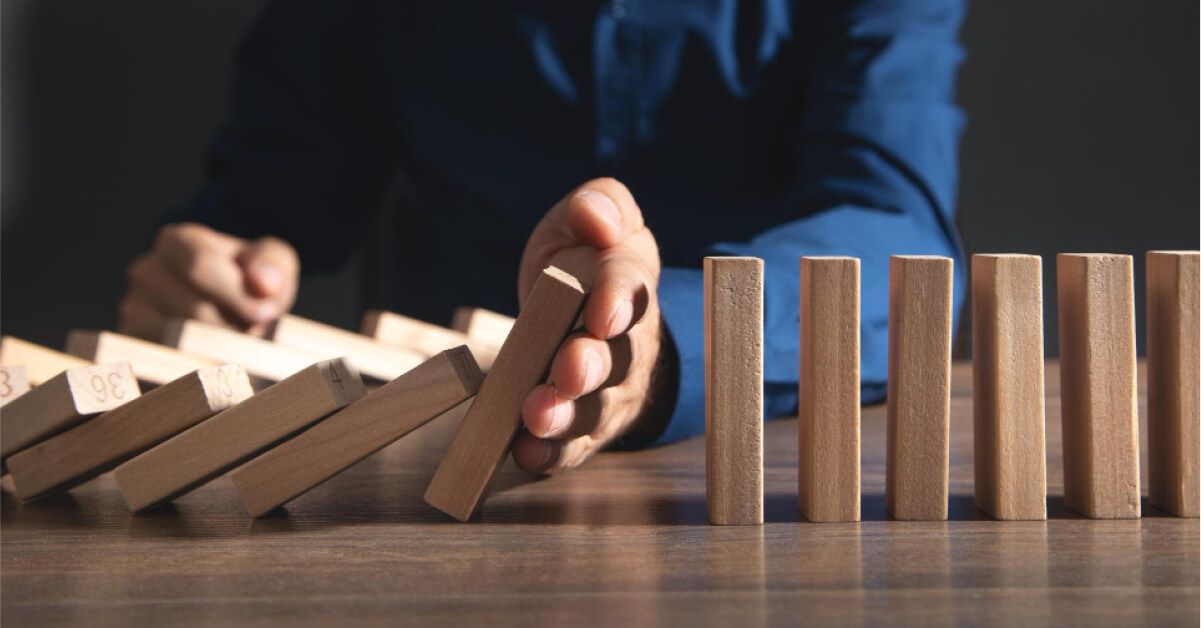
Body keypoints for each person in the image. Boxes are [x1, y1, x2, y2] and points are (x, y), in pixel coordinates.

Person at [119, 0, 967, 475]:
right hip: (433, 480)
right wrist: (218, 274)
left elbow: (903, 250)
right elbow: (265, 206)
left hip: (773, 480)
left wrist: (665, 338)